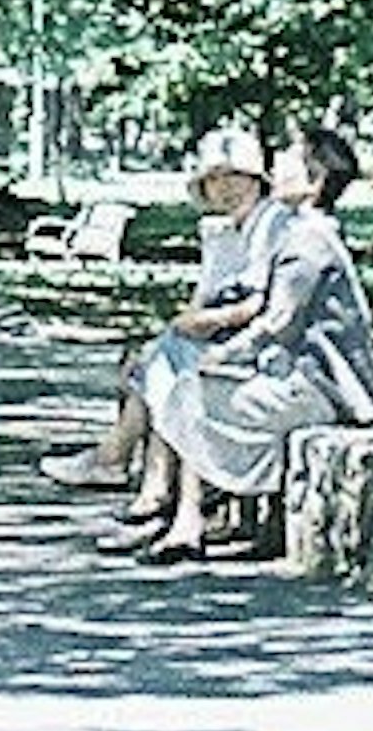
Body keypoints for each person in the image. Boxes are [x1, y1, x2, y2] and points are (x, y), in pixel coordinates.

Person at [127, 122, 373, 563]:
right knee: (186, 374)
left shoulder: (309, 239)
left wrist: (222, 355)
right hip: (295, 378)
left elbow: (276, 321)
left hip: (322, 392)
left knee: (192, 384)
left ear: (314, 181)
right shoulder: (295, 230)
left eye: (289, 155)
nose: (276, 161)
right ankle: (184, 517)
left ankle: (184, 519)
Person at [40, 123, 271, 500]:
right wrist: (178, 328)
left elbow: (256, 307)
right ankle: (140, 478)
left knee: (165, 365)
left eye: (235, 176)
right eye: (215, 179)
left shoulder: (268, 229)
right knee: (156, 358)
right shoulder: (219, 232)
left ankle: (121, 465)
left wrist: (192, 326)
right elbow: (203, 298)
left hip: (254, 349)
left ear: (257, 180)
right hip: (221, 339)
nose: (226, 187)